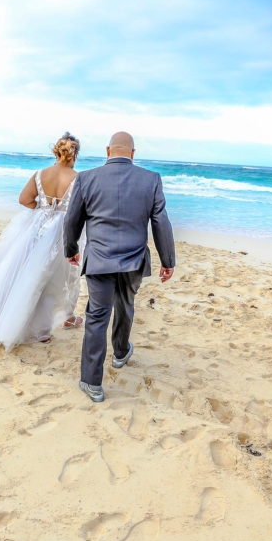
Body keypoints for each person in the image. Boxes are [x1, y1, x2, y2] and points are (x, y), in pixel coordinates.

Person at [63, 132, 175, 403]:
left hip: (100, 259)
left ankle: (92, 383)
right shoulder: (151, 179)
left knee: (98, 316)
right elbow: (160, 222)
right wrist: (168, 260)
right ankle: (121, 351)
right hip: (134, 259)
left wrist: (71, 249)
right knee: (126, 305)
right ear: (133, 153)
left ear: (107, 150)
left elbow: (72, 219)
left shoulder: (87, 178)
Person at [0, 133, 85, 349]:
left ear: (56, 151)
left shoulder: (40, 174)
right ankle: (48, 328)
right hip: (63, 231)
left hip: (37, 228)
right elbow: (81, 208)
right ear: (75, 154)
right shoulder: (78, 178)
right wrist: (61, 215)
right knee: (57, 279)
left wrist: (44, 211)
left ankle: (6, 319)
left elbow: (24, 199)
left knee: (25, 273)